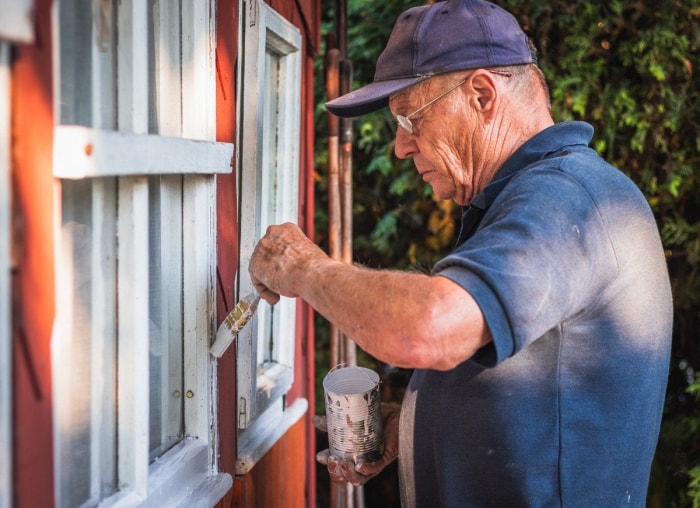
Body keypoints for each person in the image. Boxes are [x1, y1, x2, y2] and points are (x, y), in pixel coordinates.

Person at [248, 0, 673, 506]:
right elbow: (539, 381)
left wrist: (301, 267)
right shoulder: (533, 194)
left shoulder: (564, 199)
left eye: (410, 120)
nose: (401, 149)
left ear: (480, 95)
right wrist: (416, 426)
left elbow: (430, 328)